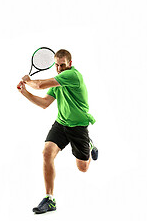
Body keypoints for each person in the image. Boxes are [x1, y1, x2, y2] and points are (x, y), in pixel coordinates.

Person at [17, 49, 98, 214]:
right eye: (57, 65)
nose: (60, 68)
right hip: (61, 123)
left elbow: (39, 85)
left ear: (70, 63)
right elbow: (45, 103)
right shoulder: (58, 82)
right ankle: (49, 199)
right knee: (47, 153)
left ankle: (90, 148)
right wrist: (25, 92)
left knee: (83, 168)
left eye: (63, 65)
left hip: (78, 126)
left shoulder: (73, 76)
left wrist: (29, 81)